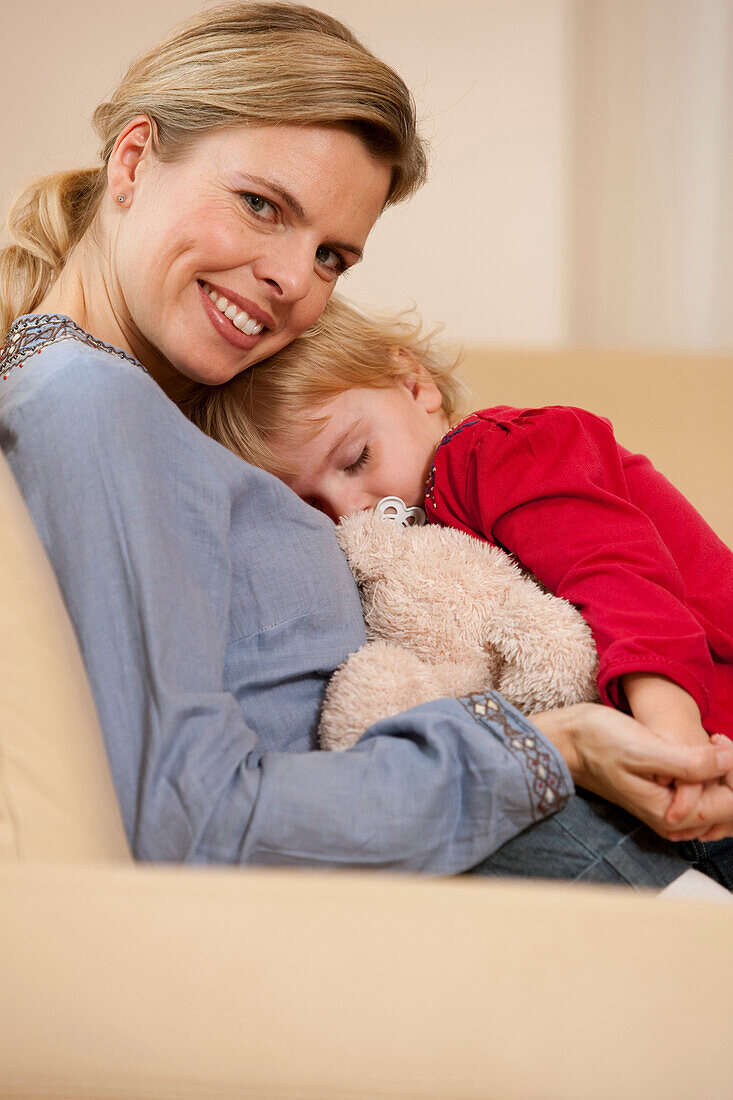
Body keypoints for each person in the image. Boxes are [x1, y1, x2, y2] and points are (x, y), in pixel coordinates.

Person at [2, 3, 733, 888]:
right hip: (507, 863)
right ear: (133, 158)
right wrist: (549, 745)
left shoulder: (167, 411)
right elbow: (189, 816)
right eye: (260, 204)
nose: (289, 280)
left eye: (331, 258)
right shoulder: (88, 400)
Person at [177, 294, 733, 884]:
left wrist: (674, 738)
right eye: (312, 508)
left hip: (705, 734)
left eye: (357, 458)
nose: (354, 511)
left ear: (416, 385)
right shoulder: (408, 555)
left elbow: (619, 574)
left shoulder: (499, 449)